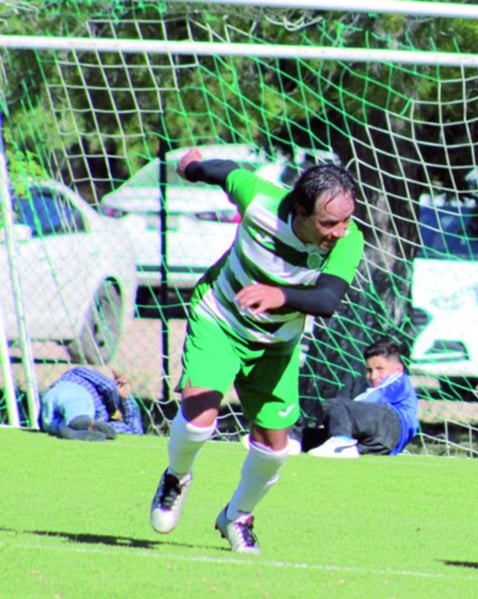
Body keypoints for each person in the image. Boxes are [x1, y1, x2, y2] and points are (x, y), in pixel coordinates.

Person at [148, 147, 364, 554]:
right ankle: (176, 477)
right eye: (328, 222)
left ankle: (237, 517)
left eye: (345, 220)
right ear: (299, 211)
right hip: (221, 319)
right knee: (197, 420)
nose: (339, 231)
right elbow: (226, 172)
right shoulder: (261, 199)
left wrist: (278, 294)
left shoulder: (349, 241)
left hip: (276, 344)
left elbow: (327, 300)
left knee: (273, 448)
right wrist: (192, 167)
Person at [305, 337, 420, 458]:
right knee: (312, 437)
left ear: (398, 369)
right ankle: (294, 441)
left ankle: (342, 440)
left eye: (380, 369)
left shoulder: (399, 381)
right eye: (369, 370)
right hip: (378, 442)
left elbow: (368, 401)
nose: (374, 376)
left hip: (391, 427)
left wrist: (339, 415)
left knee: (336, 405)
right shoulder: (379, 389)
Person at [38, 367, 143, 440]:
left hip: (53, 415)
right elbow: (108, 387)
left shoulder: (99, 423)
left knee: (58, 424)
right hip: (71, 391)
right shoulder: (82, 374)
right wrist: (114, 409)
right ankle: (76, 422)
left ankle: (69, 431)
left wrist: (126, 398)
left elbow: (135, 431)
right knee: (76, 406)